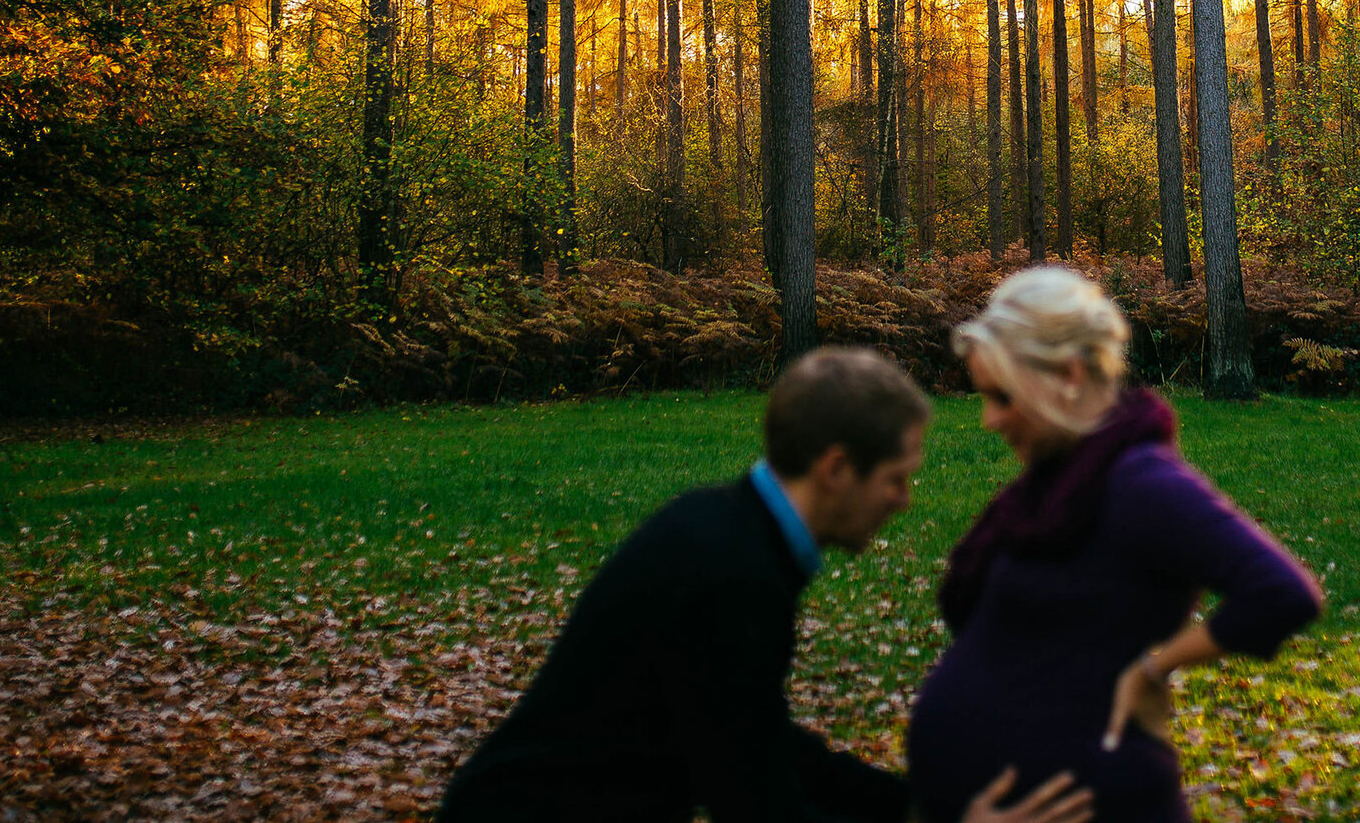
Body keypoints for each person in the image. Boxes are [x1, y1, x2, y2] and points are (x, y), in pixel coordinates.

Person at [439, 345, 1094, 823]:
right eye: (896, 477)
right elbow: (756, 802)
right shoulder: (735, 578)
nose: (904, 499)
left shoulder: (727, 529)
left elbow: (760, 740)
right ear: (836, 468)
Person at [907, 267, 1322, 823]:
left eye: (1002, 396)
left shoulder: (1138, 481)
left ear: (1070, 375)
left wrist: (1155, 666)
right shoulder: (1056, 482)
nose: (989, 420)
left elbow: (1281, 592)